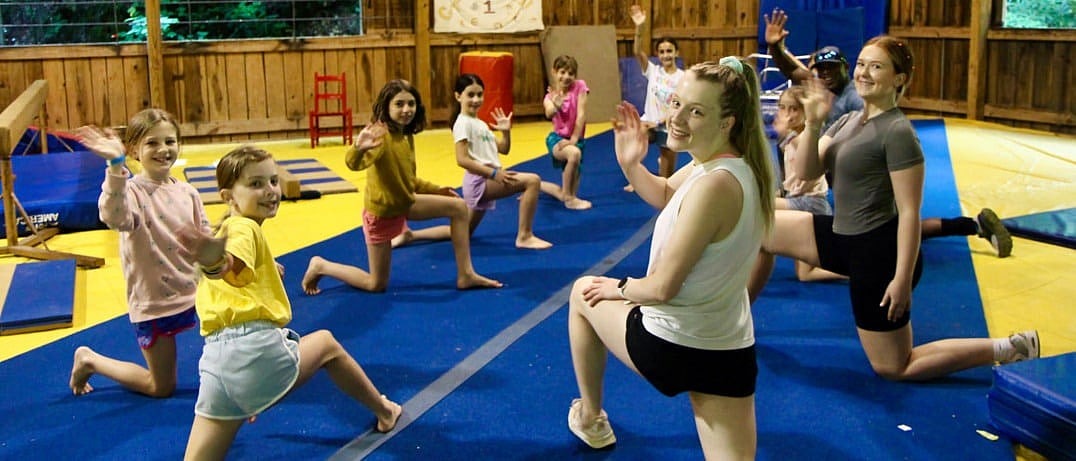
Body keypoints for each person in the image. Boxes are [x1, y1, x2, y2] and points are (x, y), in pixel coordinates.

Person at [747, 35, 1038, 383]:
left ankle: (1009, 347)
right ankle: (735, 323)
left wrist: (901, 280)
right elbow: (806, 172)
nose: (864, 73)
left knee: (895, 366)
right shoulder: (848, 121)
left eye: (876, 66)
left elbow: (910, 211)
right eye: (861, 64)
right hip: (843, 236)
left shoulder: (898, 132)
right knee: (761, 230)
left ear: (899, 79)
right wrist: (811, 124)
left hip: (879, 255)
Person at [566, 57, 774, 459]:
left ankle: (591, 419)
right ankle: (591, 418)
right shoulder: (733, 167)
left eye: (696, 111)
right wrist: (631, 165)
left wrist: (619, 287)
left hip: (672, 346)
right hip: (729, 352)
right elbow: (664, 193)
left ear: (727, 122)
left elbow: (661, 288)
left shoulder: (714, 185)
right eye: (676, 103)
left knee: (583, 293)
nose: (676, 117)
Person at [182, 145, 402, 460]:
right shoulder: (243, 229)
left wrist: (259, 267)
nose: (271, 191)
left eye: (273, 181)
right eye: (256, 184)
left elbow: (237, 273)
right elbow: (230, 266)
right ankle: (385, 411)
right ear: (228, 196)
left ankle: (252, 393)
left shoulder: (230, 228)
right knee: (326, 344)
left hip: (217, 366)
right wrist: (217, 264)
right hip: (253, 353)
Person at [301, 79, 501, 294]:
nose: (406, 110)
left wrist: (436, 190)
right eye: (399, 104)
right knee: (376, 284)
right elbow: (354, 164)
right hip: (383, 213)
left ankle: (466, 274)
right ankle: (321, 265)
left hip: (406, 203)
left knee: (459, 207)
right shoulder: (380, 135)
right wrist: (358, 148)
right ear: (386, 106)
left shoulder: (405, 135)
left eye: (411, 104)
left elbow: (408, 179)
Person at [69, 109, 209, 398]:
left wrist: (247, 257)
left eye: (170, 141)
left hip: (196, 293)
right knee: (161, 387)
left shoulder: (188, 192)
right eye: (152, 143)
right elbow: (113, 215)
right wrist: (115, 166)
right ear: (134, 150)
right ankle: (90, 360)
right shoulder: (131, 192)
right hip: (155, 301)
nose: (163, 149)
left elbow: (207, 238)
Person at [450, 73, 553, 249]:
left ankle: (411, 235)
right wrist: (494, 173)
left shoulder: (479, 124)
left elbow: (503, 149)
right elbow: (462, 160)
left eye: (479, 94)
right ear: (458, 96)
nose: (476, 100)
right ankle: (524, 236)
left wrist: (505, 132)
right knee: (532, 181)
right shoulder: (462, 123)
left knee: (462, 232)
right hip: (480, 180)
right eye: (470, 95)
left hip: (488, 176)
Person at [763, 7, 863, 131]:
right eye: (821, 68)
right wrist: (773, 46)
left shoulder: (855, 97)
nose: (826, 72)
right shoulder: (820, 85)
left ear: (846, 67)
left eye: (832, 67)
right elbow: (791, 71)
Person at [623, 4, 685, 192]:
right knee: (634, 142)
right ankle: (636, 178)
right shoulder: (653, 71)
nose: (666, 55)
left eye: (669, 51)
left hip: (667, 124)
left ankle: (663, 164)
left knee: (667, 178)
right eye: (662, 52)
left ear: (676, 53)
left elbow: (680, 105)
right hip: (648, 123)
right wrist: (639, 28)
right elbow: (637, 51)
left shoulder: (682, 77)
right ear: (658, 55)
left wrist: (660, 121)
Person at [542, 55, 592, 210]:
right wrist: (555, 106)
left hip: (576, 139)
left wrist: (574, 139)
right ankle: (570, 200)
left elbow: (581, 114)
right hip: (557, 140)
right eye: (562, 72)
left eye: (570, 73)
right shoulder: (550, 96)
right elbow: (549, 113)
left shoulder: (580, 86)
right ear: (554, 72)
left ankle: (534, 184)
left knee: (565, 191)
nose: (566, 77)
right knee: (574, 154)